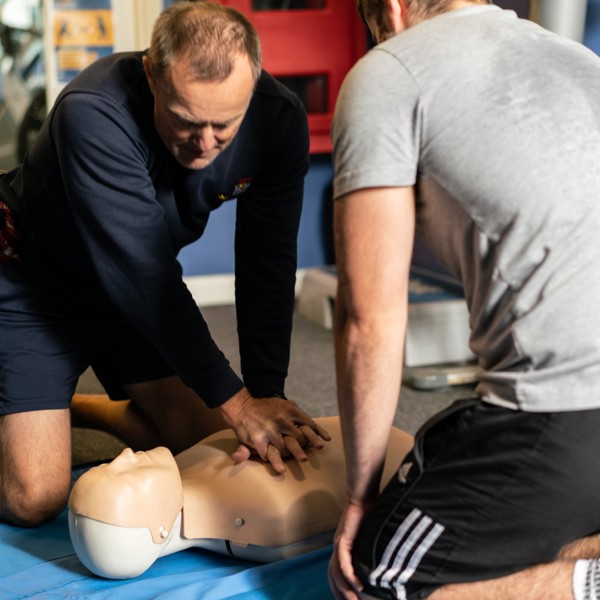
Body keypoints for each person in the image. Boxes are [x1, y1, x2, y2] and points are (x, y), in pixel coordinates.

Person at [0, 0, 330, 528]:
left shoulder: (277, 118)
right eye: (185, 121)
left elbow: (267, 261)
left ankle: (84, 409)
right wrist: (239, 404)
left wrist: (265, 392)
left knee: (217, 450)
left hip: (129, 301)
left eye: (224, 126)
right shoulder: (93, 109)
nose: (204, 145)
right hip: (36, 288)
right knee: (35, 497)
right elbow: (148, 278)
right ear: (153, 74)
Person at [328, 1, 600, 599]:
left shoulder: (388, 70)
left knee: (377, 575)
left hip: (566, 411)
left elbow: (368, 320)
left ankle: (588, 581)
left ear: (392, 11)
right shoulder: (581, 59)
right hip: (575, 419)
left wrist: (358, 498)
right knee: (439, 442)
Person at [68, 416, 414, 579]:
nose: (125, 455)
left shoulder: (184, 464)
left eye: (109, 464)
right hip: (399, 454)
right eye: (124, 476)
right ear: (159, 530)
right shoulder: (267, 520)